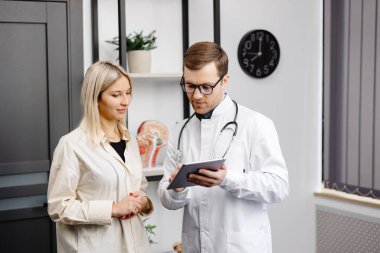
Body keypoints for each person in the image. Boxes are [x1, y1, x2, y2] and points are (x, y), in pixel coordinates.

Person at [158, 42, 289, 253]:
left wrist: (228, 180)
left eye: (206, 87)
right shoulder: (180, 130)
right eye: (190, 85)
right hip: (195, 246)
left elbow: (279, 187)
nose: (197, 95)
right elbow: (167, 199)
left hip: (242, 247)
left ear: (225, 81)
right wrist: (178, 188)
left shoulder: (255, 124)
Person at [48, 61, 153, 253]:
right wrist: (113, 209)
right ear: (96, 97)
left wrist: (143, 201)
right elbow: (58, 207)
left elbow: (139, 186)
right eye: (116, 95)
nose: (125, 101)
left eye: (128, 92)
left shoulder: (129, 141)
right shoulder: (72, 145)